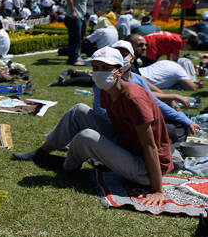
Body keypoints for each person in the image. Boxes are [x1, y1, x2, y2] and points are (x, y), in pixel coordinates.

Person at [13, 47, 172, 206]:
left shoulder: (133, 98)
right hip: (127, 145)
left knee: (87, 137)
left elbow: (150, 146)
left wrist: (158, 190)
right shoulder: (107, 90)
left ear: (119, 71)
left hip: (145, 168)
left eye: (106, 68)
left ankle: (67, 167)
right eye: (96, 68)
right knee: (79, 110)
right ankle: (41, 153)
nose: (100, 73)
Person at [127, 34, 203, 91]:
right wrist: (197, 85)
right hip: (152, 49)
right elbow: (192, 87)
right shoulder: (178, 70)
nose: (184, 49)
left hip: (148, 49)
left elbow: (171, 56)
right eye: (187, 48)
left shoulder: (165, 62)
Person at [65, 0, 95, 66]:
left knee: (76, 39)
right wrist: (73, 11)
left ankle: (74, 57)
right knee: (75, 39)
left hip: (79, 17)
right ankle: (74, 59)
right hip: (75, 17)